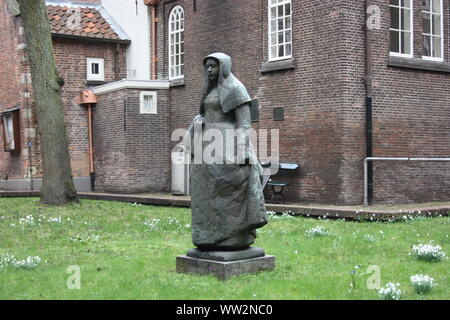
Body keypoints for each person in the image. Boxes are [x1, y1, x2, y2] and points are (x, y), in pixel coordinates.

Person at [188, 52, 267, 251]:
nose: (208, 70)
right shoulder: (209, 89)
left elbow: (245, 124)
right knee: (204, 191)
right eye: (207, 66)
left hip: (228, 146)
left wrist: (242, 150)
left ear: (224, 66)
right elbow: (205, 113)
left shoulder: (236, 88)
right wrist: (199, 121)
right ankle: (206, 235)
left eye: (213, 66)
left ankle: (231, 236)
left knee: (226, 191)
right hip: (207, 146)